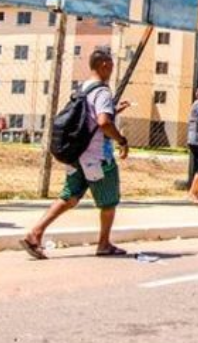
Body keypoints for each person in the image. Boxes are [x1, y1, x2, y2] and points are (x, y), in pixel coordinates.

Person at [20, 48, 131, 259]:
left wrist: (116, 110)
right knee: (109, 202)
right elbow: (103, 122)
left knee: (69, 197)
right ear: (104, 65)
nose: (112, 69)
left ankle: (35, 233)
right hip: (98, 157)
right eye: (111, 65)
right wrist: (121, 140)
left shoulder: (83, 88)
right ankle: (104, 244)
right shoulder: (103, 91)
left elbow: (89, 117)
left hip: (77, 154)